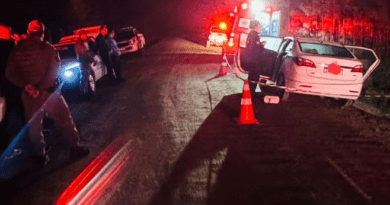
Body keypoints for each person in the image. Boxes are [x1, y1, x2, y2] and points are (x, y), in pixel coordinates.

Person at [5, 20, 89, 167]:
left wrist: (26, 86)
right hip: (49, 93)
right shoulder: (48, 49)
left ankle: (40, 156)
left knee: (34, 127)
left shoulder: (17, 51)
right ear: (42, 33)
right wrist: (40, 88)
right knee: (64, 120)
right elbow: (54, 72)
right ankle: (75, 147)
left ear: (29, 32)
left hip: (29, 96)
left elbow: (9, 73)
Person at [0, 24, 25, 150]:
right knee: (17, 115)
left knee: (7, 120)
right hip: (10, 89)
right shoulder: (7, 47)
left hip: (8, 89)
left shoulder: (7, 46)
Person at [241, 20, 265, 100]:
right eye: (260, 26)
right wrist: (262, 45)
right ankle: (250, 96)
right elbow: (255, 49)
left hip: (252, 60)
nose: (260, 28)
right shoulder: (254, 35)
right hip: (254, 61)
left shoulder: (251, 34)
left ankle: (249, 94)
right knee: (253, 79)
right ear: (256, 26)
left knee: (252, 78)